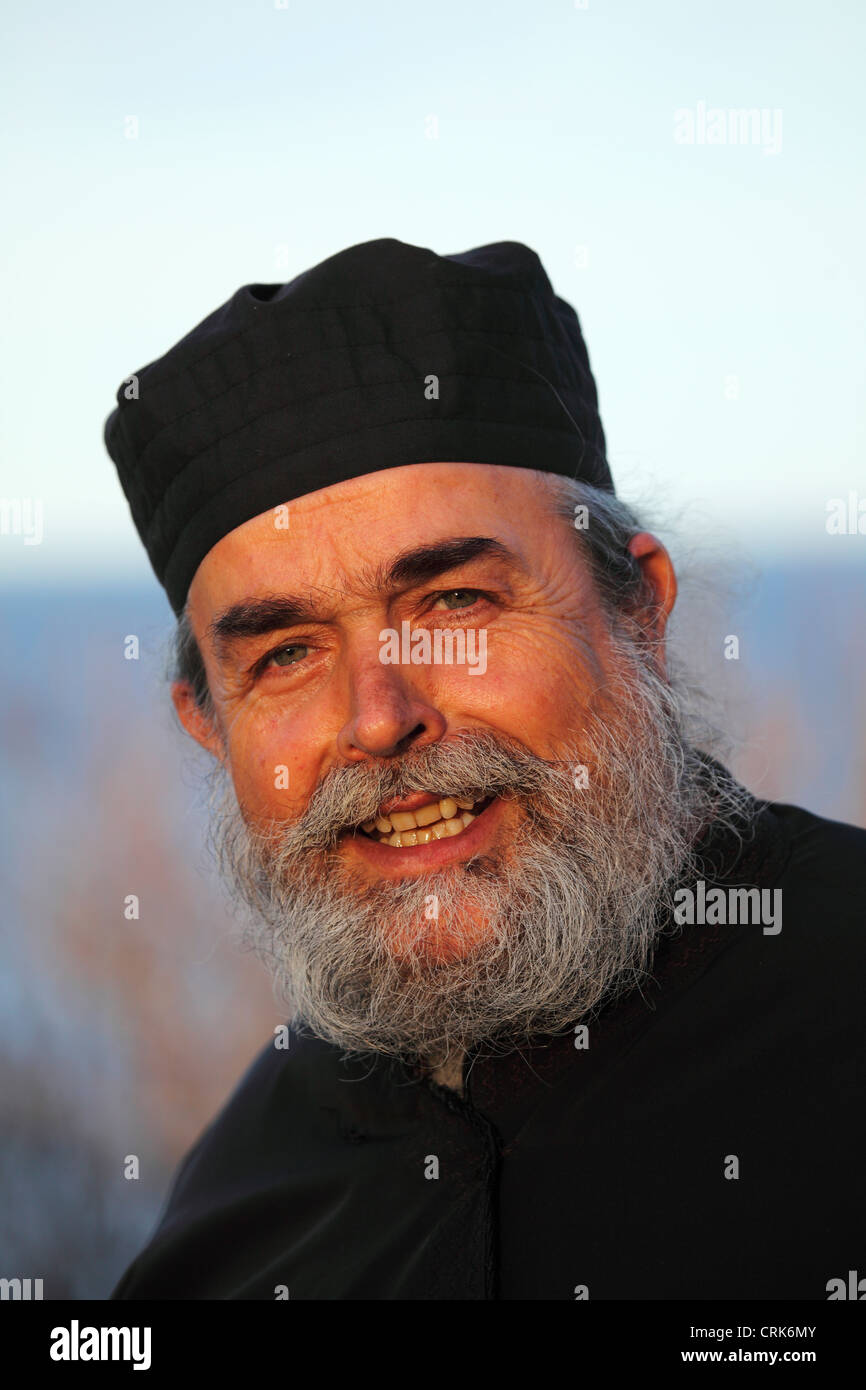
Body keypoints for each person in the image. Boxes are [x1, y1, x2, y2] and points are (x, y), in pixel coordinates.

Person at [102, 238, 865, 1300]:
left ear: (634, 608)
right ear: (208, 723)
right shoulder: (228, 1222)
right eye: (285, 654)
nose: (379, 719)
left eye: (453, 603)